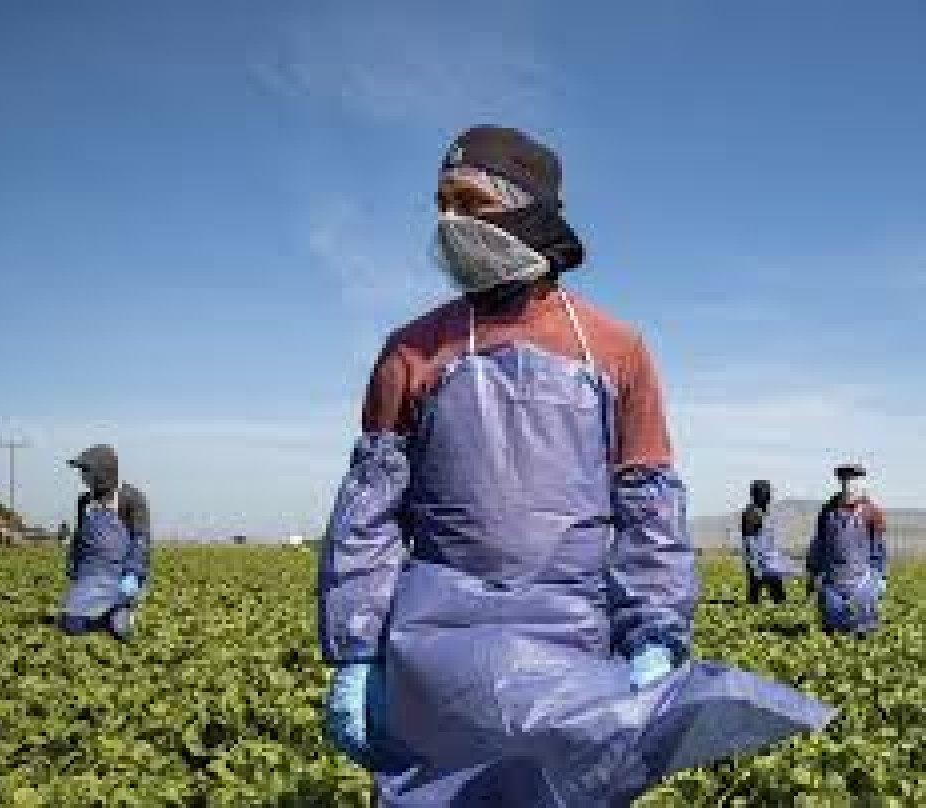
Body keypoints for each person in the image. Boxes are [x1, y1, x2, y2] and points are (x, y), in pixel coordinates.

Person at [317, 125, 834, 806]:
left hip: (575, 643)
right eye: (441, 204)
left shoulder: (617, 351)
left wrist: (653, 632)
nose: (449, 223)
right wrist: (358, 651)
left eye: (469, 202)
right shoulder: (410, 353)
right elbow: (369, 519)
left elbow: (648, 509)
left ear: (527, 209)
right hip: (436, 651)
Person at [60, 444, 151, 640]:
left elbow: (141, 539)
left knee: (120, 631)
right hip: (90, 574)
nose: (83, 476)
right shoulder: (84, 500)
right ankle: (104, 616)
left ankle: (120, 609)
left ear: (103, 471)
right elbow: (81, 535)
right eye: (82, 471)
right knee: (70, 625)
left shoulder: (132, 498)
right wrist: (73, 564)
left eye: (86, 470)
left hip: (120, 575)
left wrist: (133, 573)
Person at [807, 463, 886, 635]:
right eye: (845, 480)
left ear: (862, 482)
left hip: (862, 582)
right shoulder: (827, 511)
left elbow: (878, 549)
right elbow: (818, 544)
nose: (849, 485)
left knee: (864, 630)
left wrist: (880, 577)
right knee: (832, 629)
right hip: (831, 581)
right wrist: (813, 573)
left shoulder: (873, 512)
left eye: (853, 480)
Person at [740, 480, 798, 605]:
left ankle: (759, 609)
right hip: (760, 561)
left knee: (771, 591)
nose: (769, 497)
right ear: (759, 495)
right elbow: (749, 541)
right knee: (761, 591)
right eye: (767, 494)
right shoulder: (752, 514)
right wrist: (755, 565)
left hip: (769, 560)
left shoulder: (761, 512)